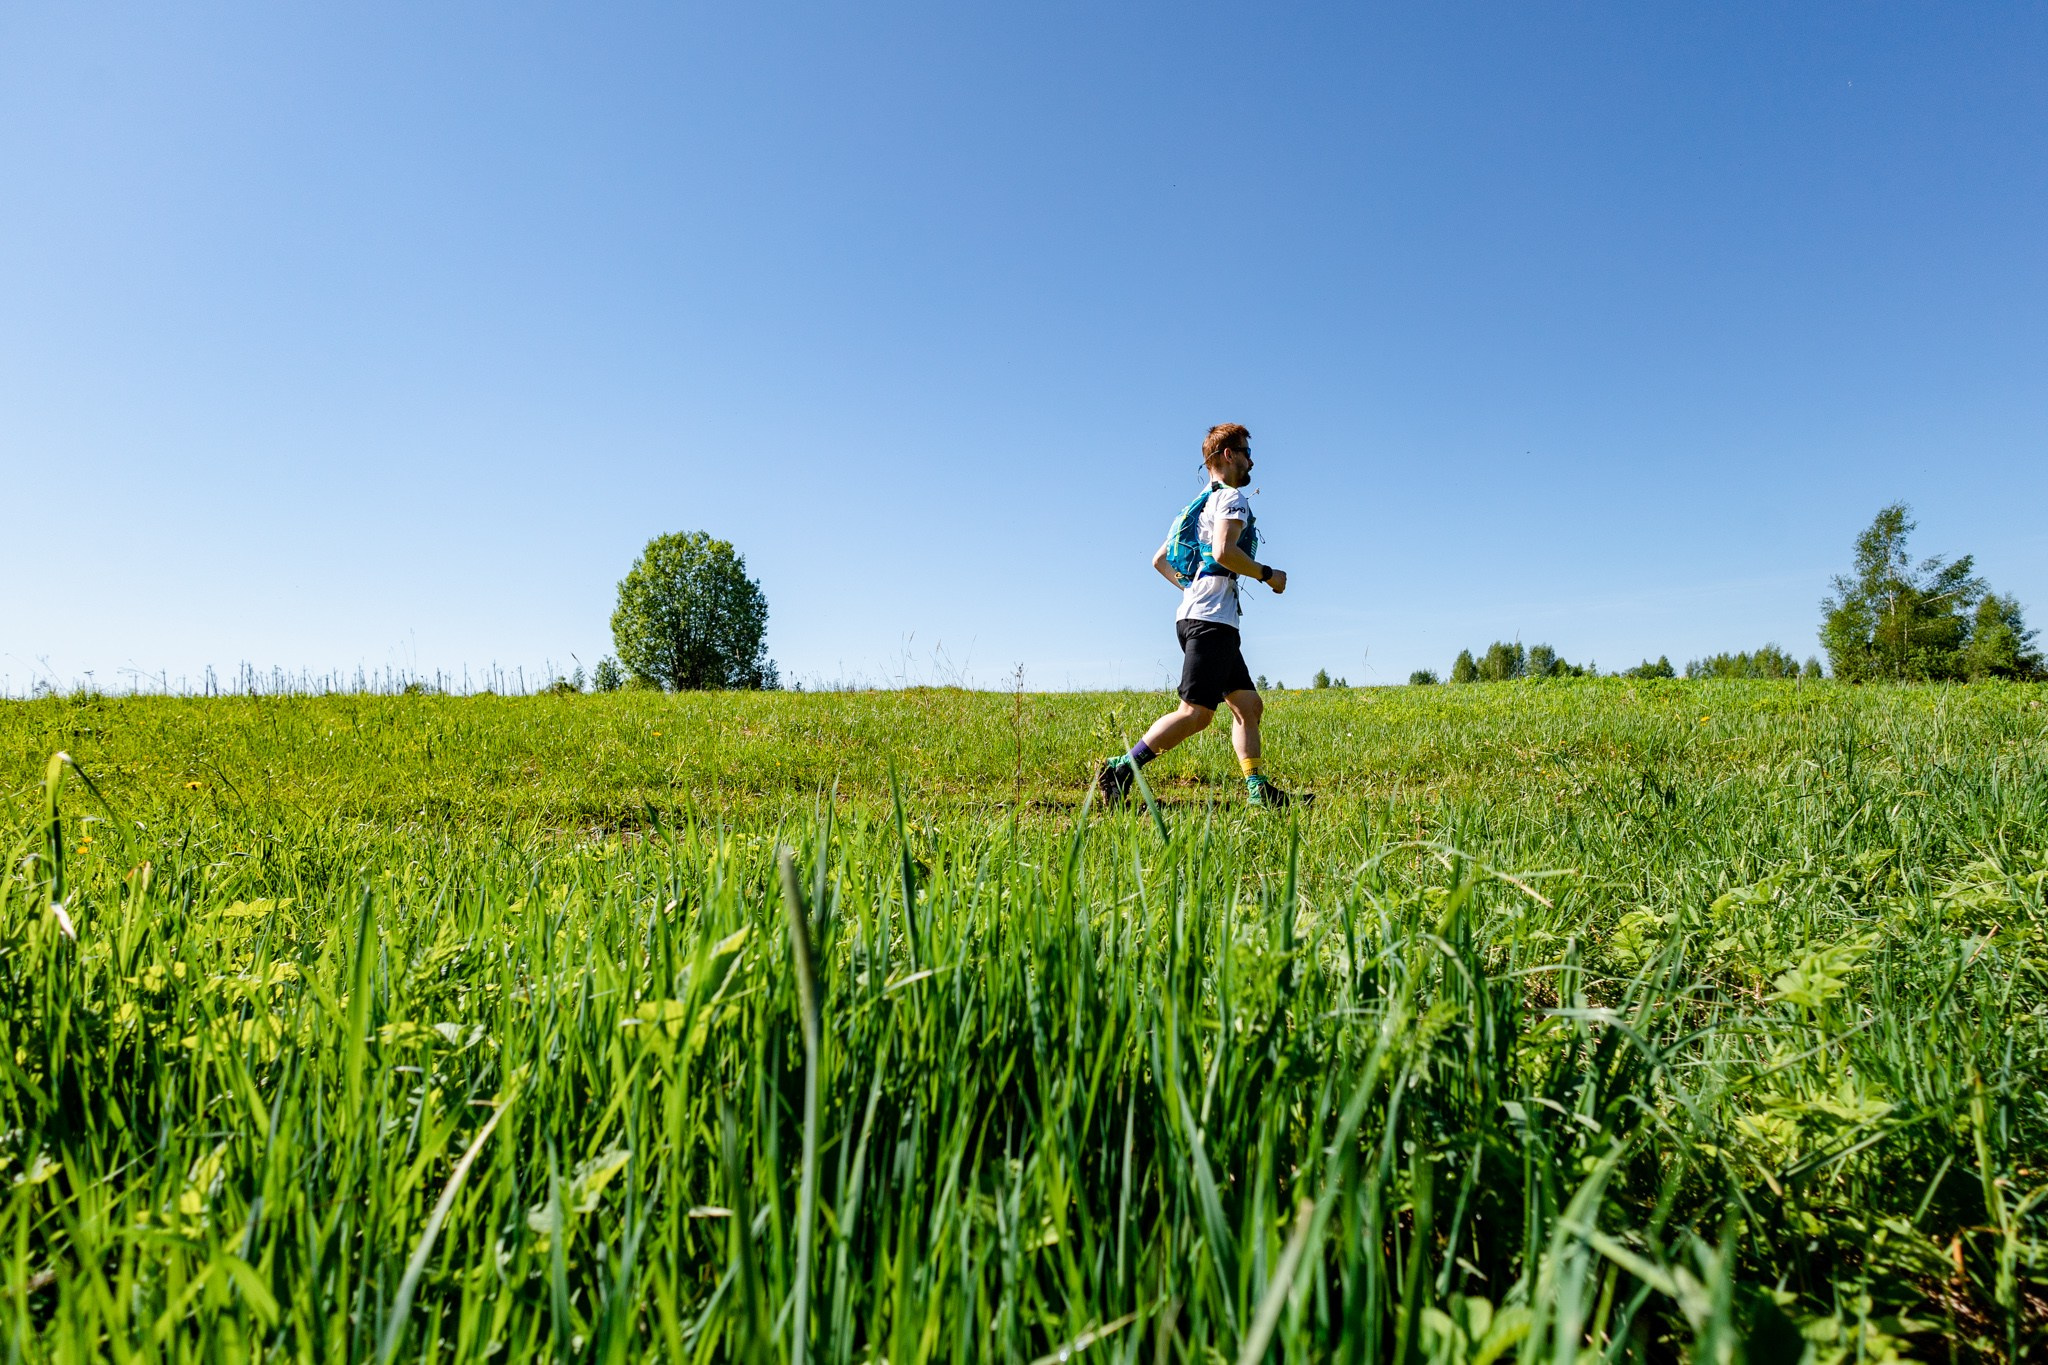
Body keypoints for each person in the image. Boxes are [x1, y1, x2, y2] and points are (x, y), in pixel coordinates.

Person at [1097, 424, 1307, 810]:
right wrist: (1267, 575)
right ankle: (1122, 768)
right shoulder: (1231, 499)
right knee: (1195, 714)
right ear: (1228, 455)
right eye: (1245, 451)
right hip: (1212, 621)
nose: (1251, 460)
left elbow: (1160, 560)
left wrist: (1193, 589)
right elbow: (1225, 553)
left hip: (1201, 615)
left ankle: (1258, 791)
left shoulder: (1195, 505)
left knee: (1247, 705)